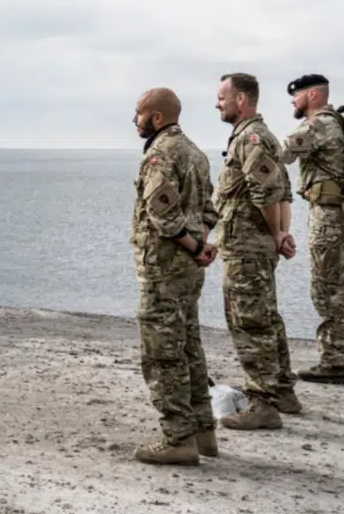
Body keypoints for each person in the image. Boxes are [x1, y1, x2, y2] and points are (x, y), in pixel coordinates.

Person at [127, 88, 220, 465]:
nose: (135, 120)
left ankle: (178, 439)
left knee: (162, 354)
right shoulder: (195, 153)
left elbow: (161, 213)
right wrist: (201, 243)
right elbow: (210, 209)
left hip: (164, 268)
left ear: (157, 118)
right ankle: (203, 433)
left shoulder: (159, 153)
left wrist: (193, 246)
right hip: (187, 273)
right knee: (189, 348)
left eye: (139, 113)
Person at [213, 72, 301, 430]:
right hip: (255, 245)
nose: (217, 103)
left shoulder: (251, 137)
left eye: (222, 97)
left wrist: (277, 234)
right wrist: (280, 233)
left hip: (246, 247)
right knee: (267, 318)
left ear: (241, 100)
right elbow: (280, 192)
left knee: (249, 323)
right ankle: (282, 392)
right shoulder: (258, 137)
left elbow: (267, 195)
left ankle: (262, 404)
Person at [279, 74, 344, 385]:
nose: (293, 101)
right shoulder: (341, 124)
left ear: (312, 95)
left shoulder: (318, 124)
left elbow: (283, 154)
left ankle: (333, 361)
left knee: (328, 287)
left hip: (328, 215)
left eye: (297, 95)